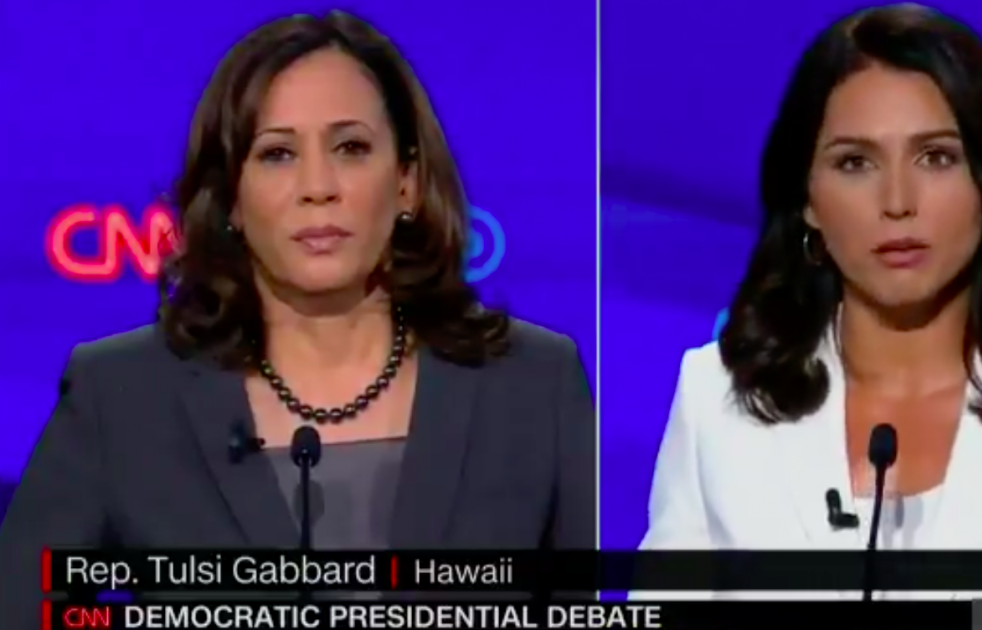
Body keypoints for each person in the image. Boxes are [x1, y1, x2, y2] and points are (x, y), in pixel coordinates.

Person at [0, 10, 594, 623]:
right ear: (231, 197)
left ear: (407, 182)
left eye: (351, 148)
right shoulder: (123, 397)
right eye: (277, 153)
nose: (317, 186)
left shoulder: (533, 386)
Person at [639, 2, 982, 613]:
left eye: (935, 157)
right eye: (855, 163)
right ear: (808, 201)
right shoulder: (720, 401)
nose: (898, 201)